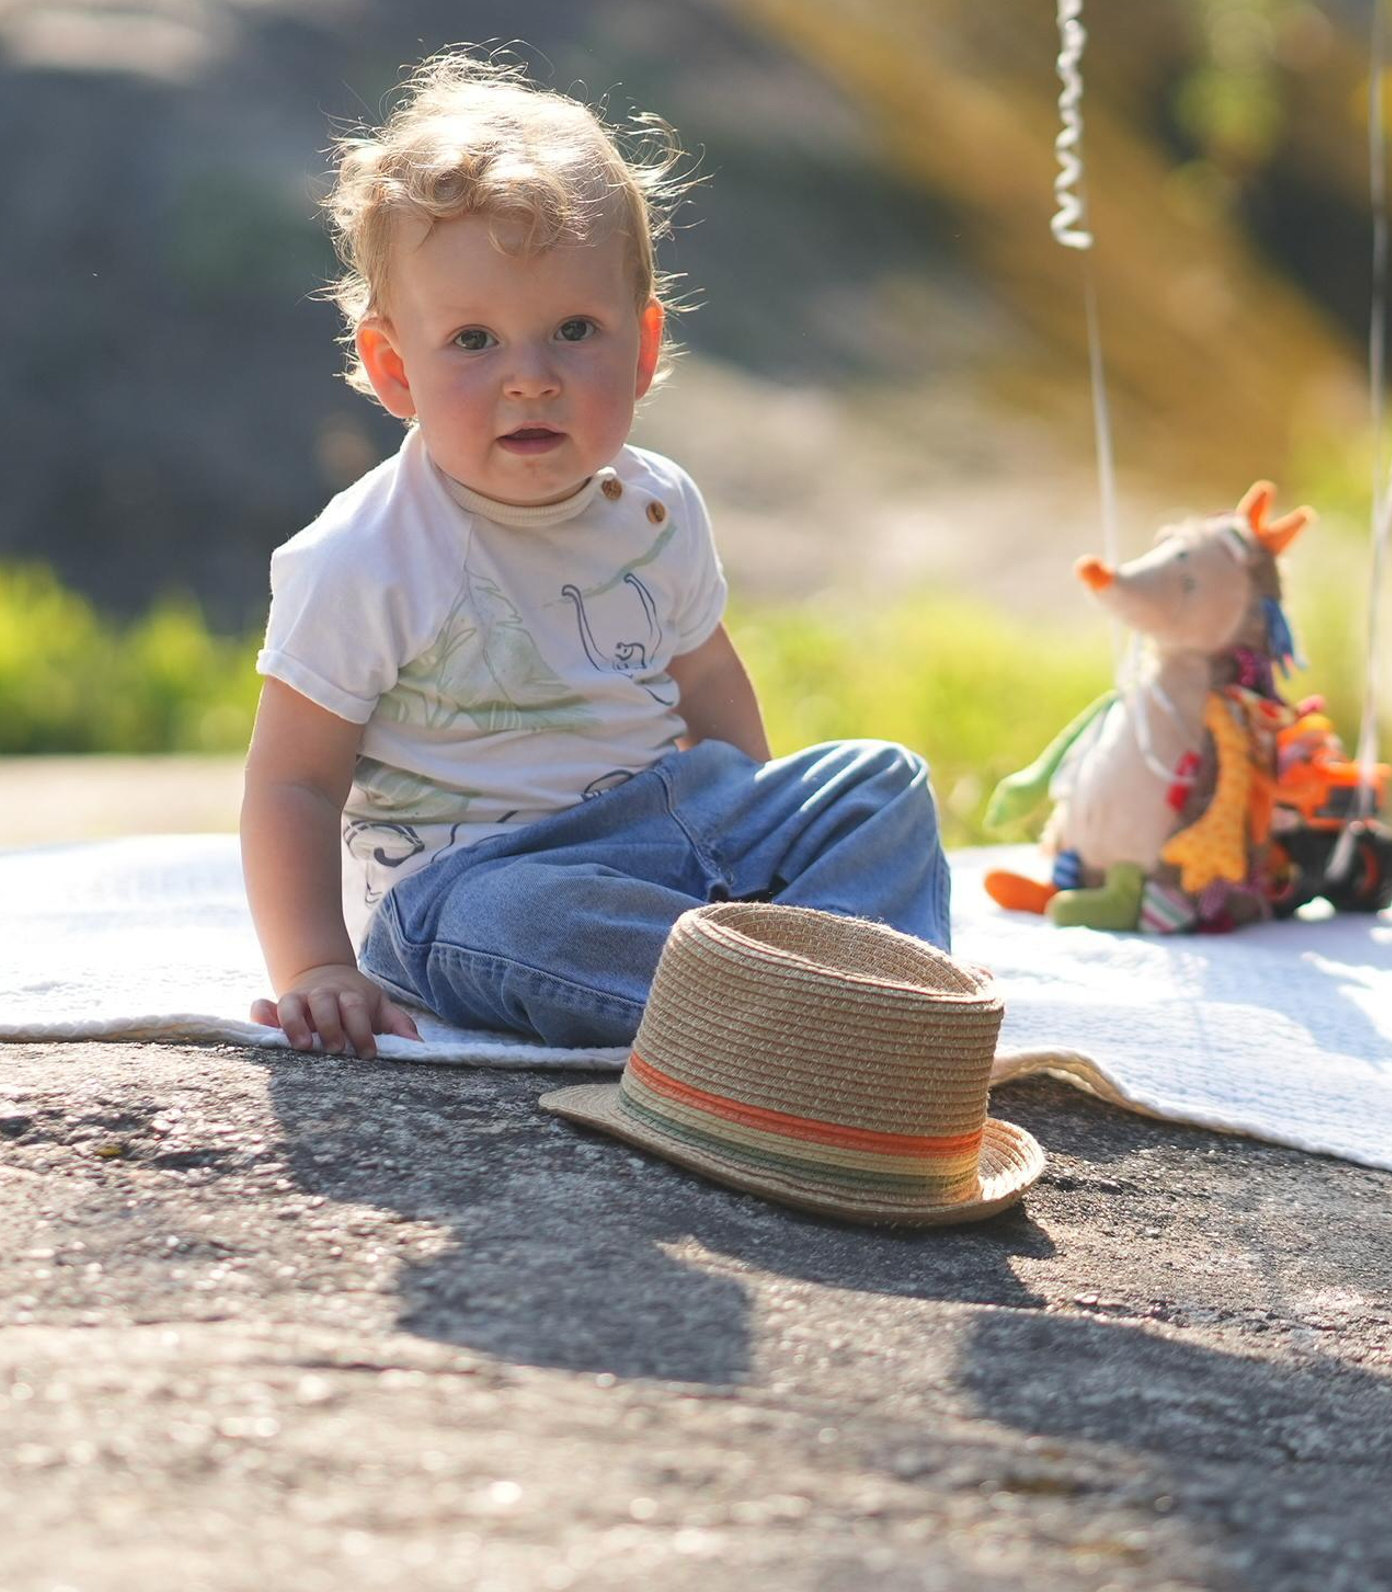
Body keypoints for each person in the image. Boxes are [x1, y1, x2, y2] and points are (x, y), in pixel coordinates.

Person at [240, 51, 950, 1056]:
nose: (529, 378)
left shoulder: (657, 507)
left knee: (880, 783)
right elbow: (292, 783)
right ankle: (798, 1005)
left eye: (575, 330)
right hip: (472, 889)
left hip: (667, 839)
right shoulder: (367, 555)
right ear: (394, 367)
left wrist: (755, 832)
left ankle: (846, 983)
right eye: (474, 341)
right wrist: (315, 964)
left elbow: (707, 679)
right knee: (529, 926)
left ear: (644, 349)